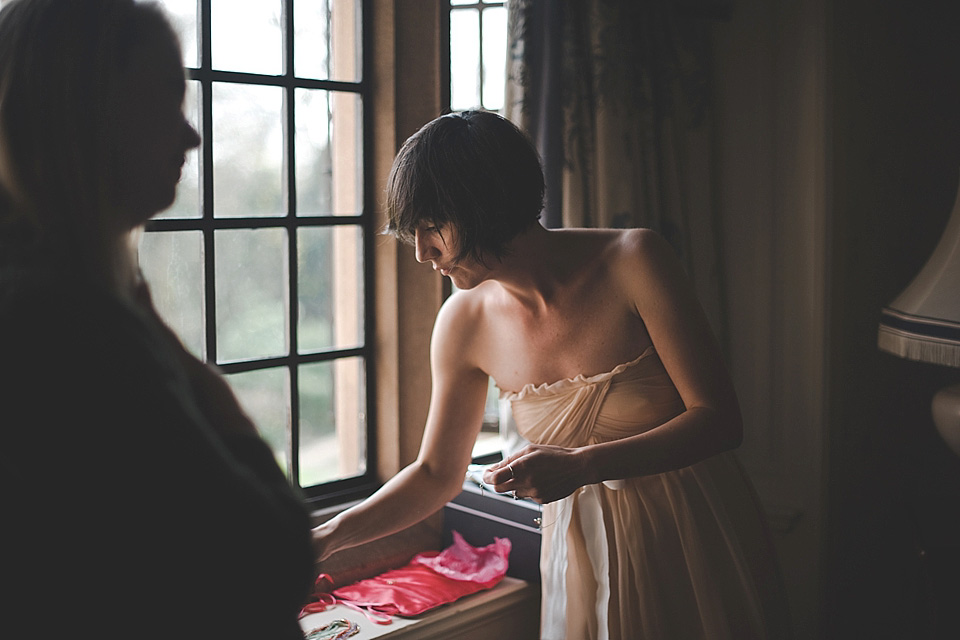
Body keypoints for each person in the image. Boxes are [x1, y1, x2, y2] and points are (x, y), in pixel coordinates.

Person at [313, 110, 790, 639]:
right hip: (577, 554)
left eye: (433, 228)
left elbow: (721, 420)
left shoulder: (635, 260)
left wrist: (584, 464)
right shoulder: (462, 322)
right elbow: (435, 475)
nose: (423, 253)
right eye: (415, 233)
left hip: (688, 534)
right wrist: (328, 537)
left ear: (485, 204)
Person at [0, 1, 313, 637]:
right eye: (167, 100)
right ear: (86, 111)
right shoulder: (68, 327)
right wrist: (200, 380)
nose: (192, 136)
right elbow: (273, 559)